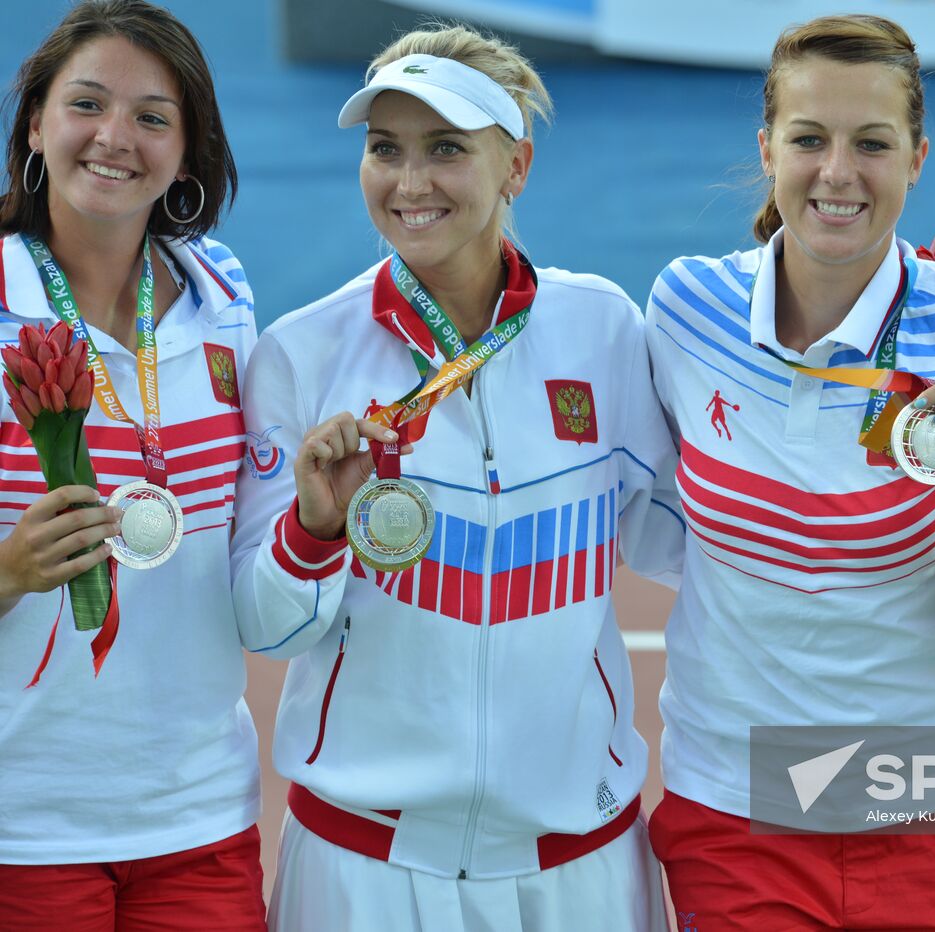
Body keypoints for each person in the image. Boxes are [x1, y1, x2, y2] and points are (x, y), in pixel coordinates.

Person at [230, 24, 678, 932]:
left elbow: (674, 544)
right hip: (364, 864)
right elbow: (264, 630)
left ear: (516, 166)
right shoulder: (302, 352)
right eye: (384, 150)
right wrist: (314, 533)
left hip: (578, 864)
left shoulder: (602, 332)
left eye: (446, 150)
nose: (409, 182)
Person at [642, 14, 935, 930]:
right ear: (766, 149)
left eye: (872, 143)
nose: (837, 172)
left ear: (917, 157)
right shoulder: (685, 310)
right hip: (735, 810)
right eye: (808, 140)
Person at [0, 2, 263, 929]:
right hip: (22, 830)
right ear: (34, 123)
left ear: (188, 153)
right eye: (86, 105)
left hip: (199, 819)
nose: (115, 138)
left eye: (153, 116)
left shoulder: (224, 300)